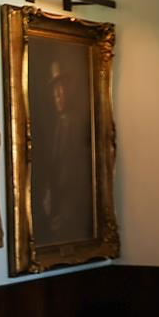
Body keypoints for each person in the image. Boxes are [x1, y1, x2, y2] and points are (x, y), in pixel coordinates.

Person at [33, 60, 92, 244]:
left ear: (70, 88)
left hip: (72, 217)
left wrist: (67, 215)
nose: (58, 94)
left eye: (62, 86)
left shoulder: (77, 123)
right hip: (59, 213)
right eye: (54, 88)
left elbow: (82, 178)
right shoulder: (60, 123)